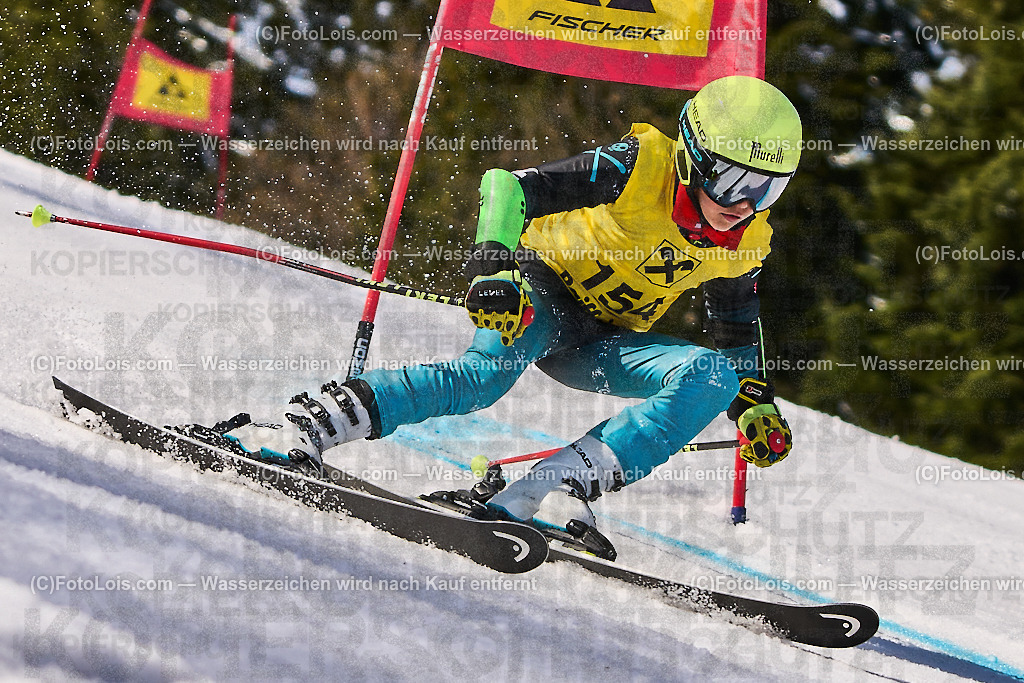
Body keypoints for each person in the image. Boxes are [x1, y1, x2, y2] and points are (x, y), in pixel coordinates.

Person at [219, 75, 799, 537]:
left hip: (599, 342)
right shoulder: (639, 167)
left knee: (715, 375)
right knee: (482, 379)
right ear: (695, 156)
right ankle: (300, 423)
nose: (744, 204)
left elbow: (735, 324)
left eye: (767, 189)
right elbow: (510, 185)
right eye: (733, 181)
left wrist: (753, 400)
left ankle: (554, 485)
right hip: (539, 292)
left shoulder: (747, 239)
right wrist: (492, 265)